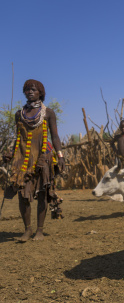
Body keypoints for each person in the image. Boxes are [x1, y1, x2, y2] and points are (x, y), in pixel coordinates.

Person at [2, 79, 65, 241]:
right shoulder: (19, 114)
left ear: (41, 93)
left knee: (42, 193)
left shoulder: (48, 113)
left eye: (34, 89)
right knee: (23, 195)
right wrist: (10, 153)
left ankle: (39, 230)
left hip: (42, 158)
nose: (30, 91)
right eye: (27, 89)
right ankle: (27, 229)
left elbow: (55, 136)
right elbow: (18, 138)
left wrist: (60, 155)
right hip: (22, 159)